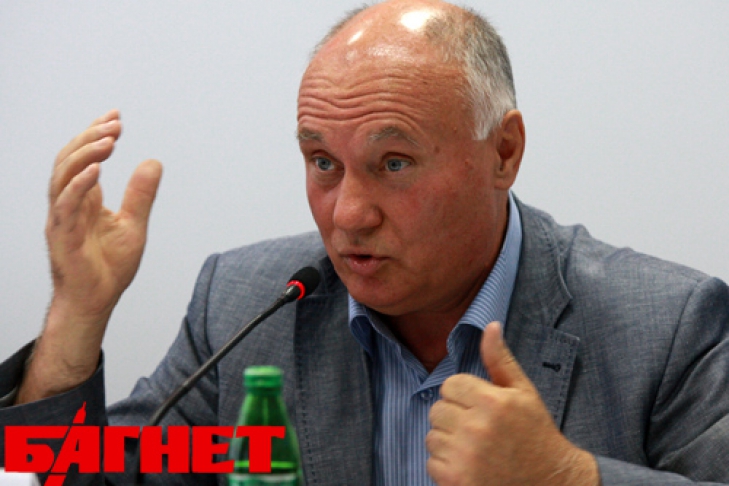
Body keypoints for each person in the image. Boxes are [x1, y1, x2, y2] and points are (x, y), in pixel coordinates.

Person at [1, 0, 728, 484]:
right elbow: (71, 476)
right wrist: (77, 316)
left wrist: (568, 479)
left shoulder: (666, 326)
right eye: (322, 162)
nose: (348, 214)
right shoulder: (246, 307)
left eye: (393, 163)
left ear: (502, 152)